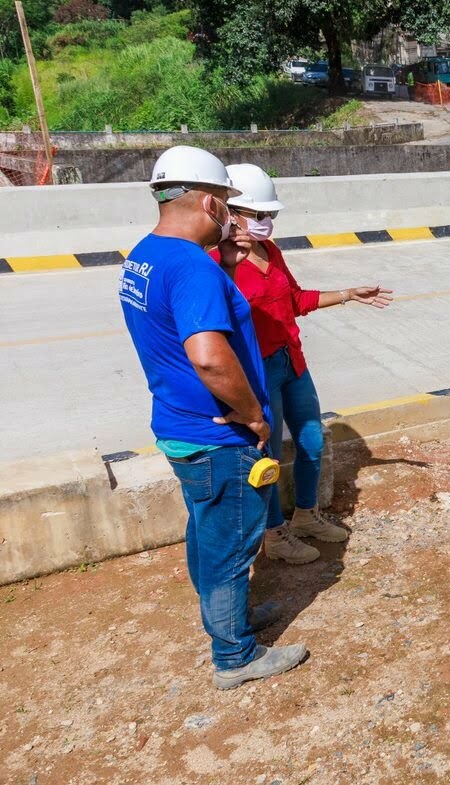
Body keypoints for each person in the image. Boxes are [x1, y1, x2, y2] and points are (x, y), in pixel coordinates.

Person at [118, 146, 308, 690]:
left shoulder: (144, 256)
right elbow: (206, 354)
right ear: (209, 201)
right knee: (230, 542)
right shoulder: (192, 268)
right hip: (218, 434)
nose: (231, 213)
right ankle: (235, 656)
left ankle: (230, 619)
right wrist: (252, 414)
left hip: (179, 426)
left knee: (206, 529)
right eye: (227, 203)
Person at [211, 163, 393, 565]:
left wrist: (348, 294)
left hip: (291, 361)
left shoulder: (269, 251)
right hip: (257, 373)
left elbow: (293, 300)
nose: (266, 223)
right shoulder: (215, 263)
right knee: (268, 456)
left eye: (270, 215)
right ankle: (275, 535)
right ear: (231, 213)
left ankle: (306, 517)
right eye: (259, 215)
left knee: (312, 441)